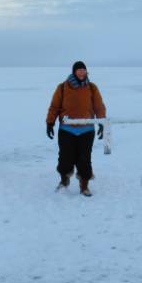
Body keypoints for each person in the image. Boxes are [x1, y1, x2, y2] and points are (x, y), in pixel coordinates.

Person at [46, 61, 107, 196]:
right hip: (67, 130)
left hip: (86, 130)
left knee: (84, 159)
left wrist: (101, 122)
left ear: (86, 72)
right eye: (79, 70)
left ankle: (84, 186)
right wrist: (50, 123)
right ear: (74, 72)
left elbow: (99, 106)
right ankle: (64, 181)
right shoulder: (62, 87)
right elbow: (54, 106)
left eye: (83, 70)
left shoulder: (92, 88)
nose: (81, 72)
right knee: (65, 158)